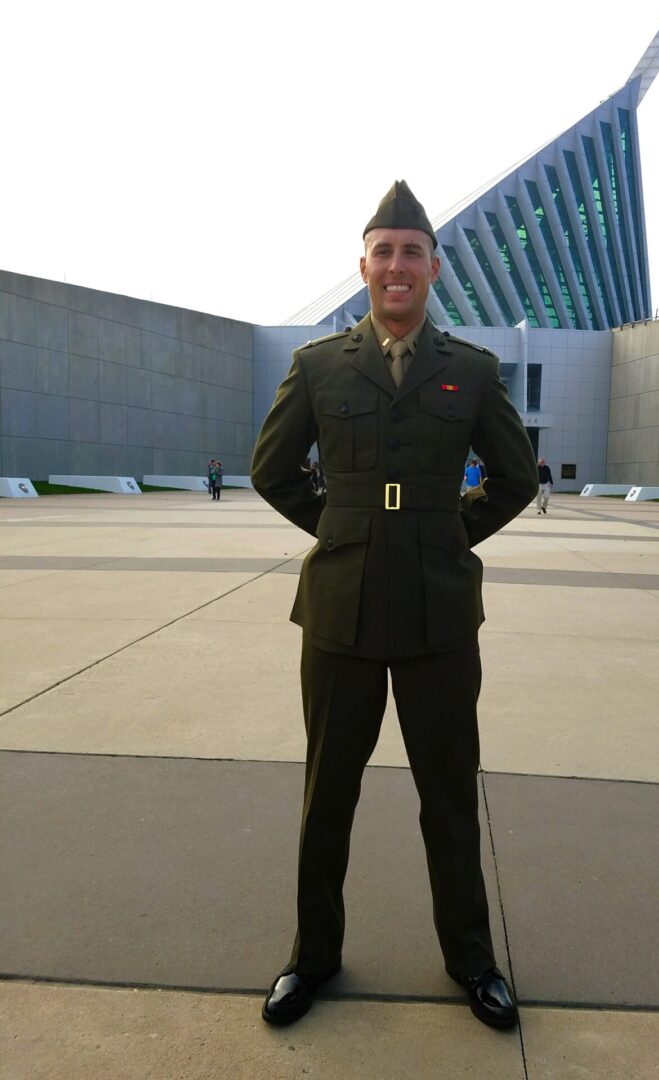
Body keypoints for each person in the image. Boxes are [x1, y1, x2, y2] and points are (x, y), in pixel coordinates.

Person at [250, 180, 538, 1030]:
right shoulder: (316, 366)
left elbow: (516, 479)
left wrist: (446, 539)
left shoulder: (473, 372)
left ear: (434, 267)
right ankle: (311, 958)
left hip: (440, 620)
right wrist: (344, 533)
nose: (398, 265)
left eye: (413, 250)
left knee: (448, 796)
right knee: (325, 795)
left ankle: (472, 963)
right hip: (338, 613)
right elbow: (271, 470)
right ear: (365, 267)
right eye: (384, 251)